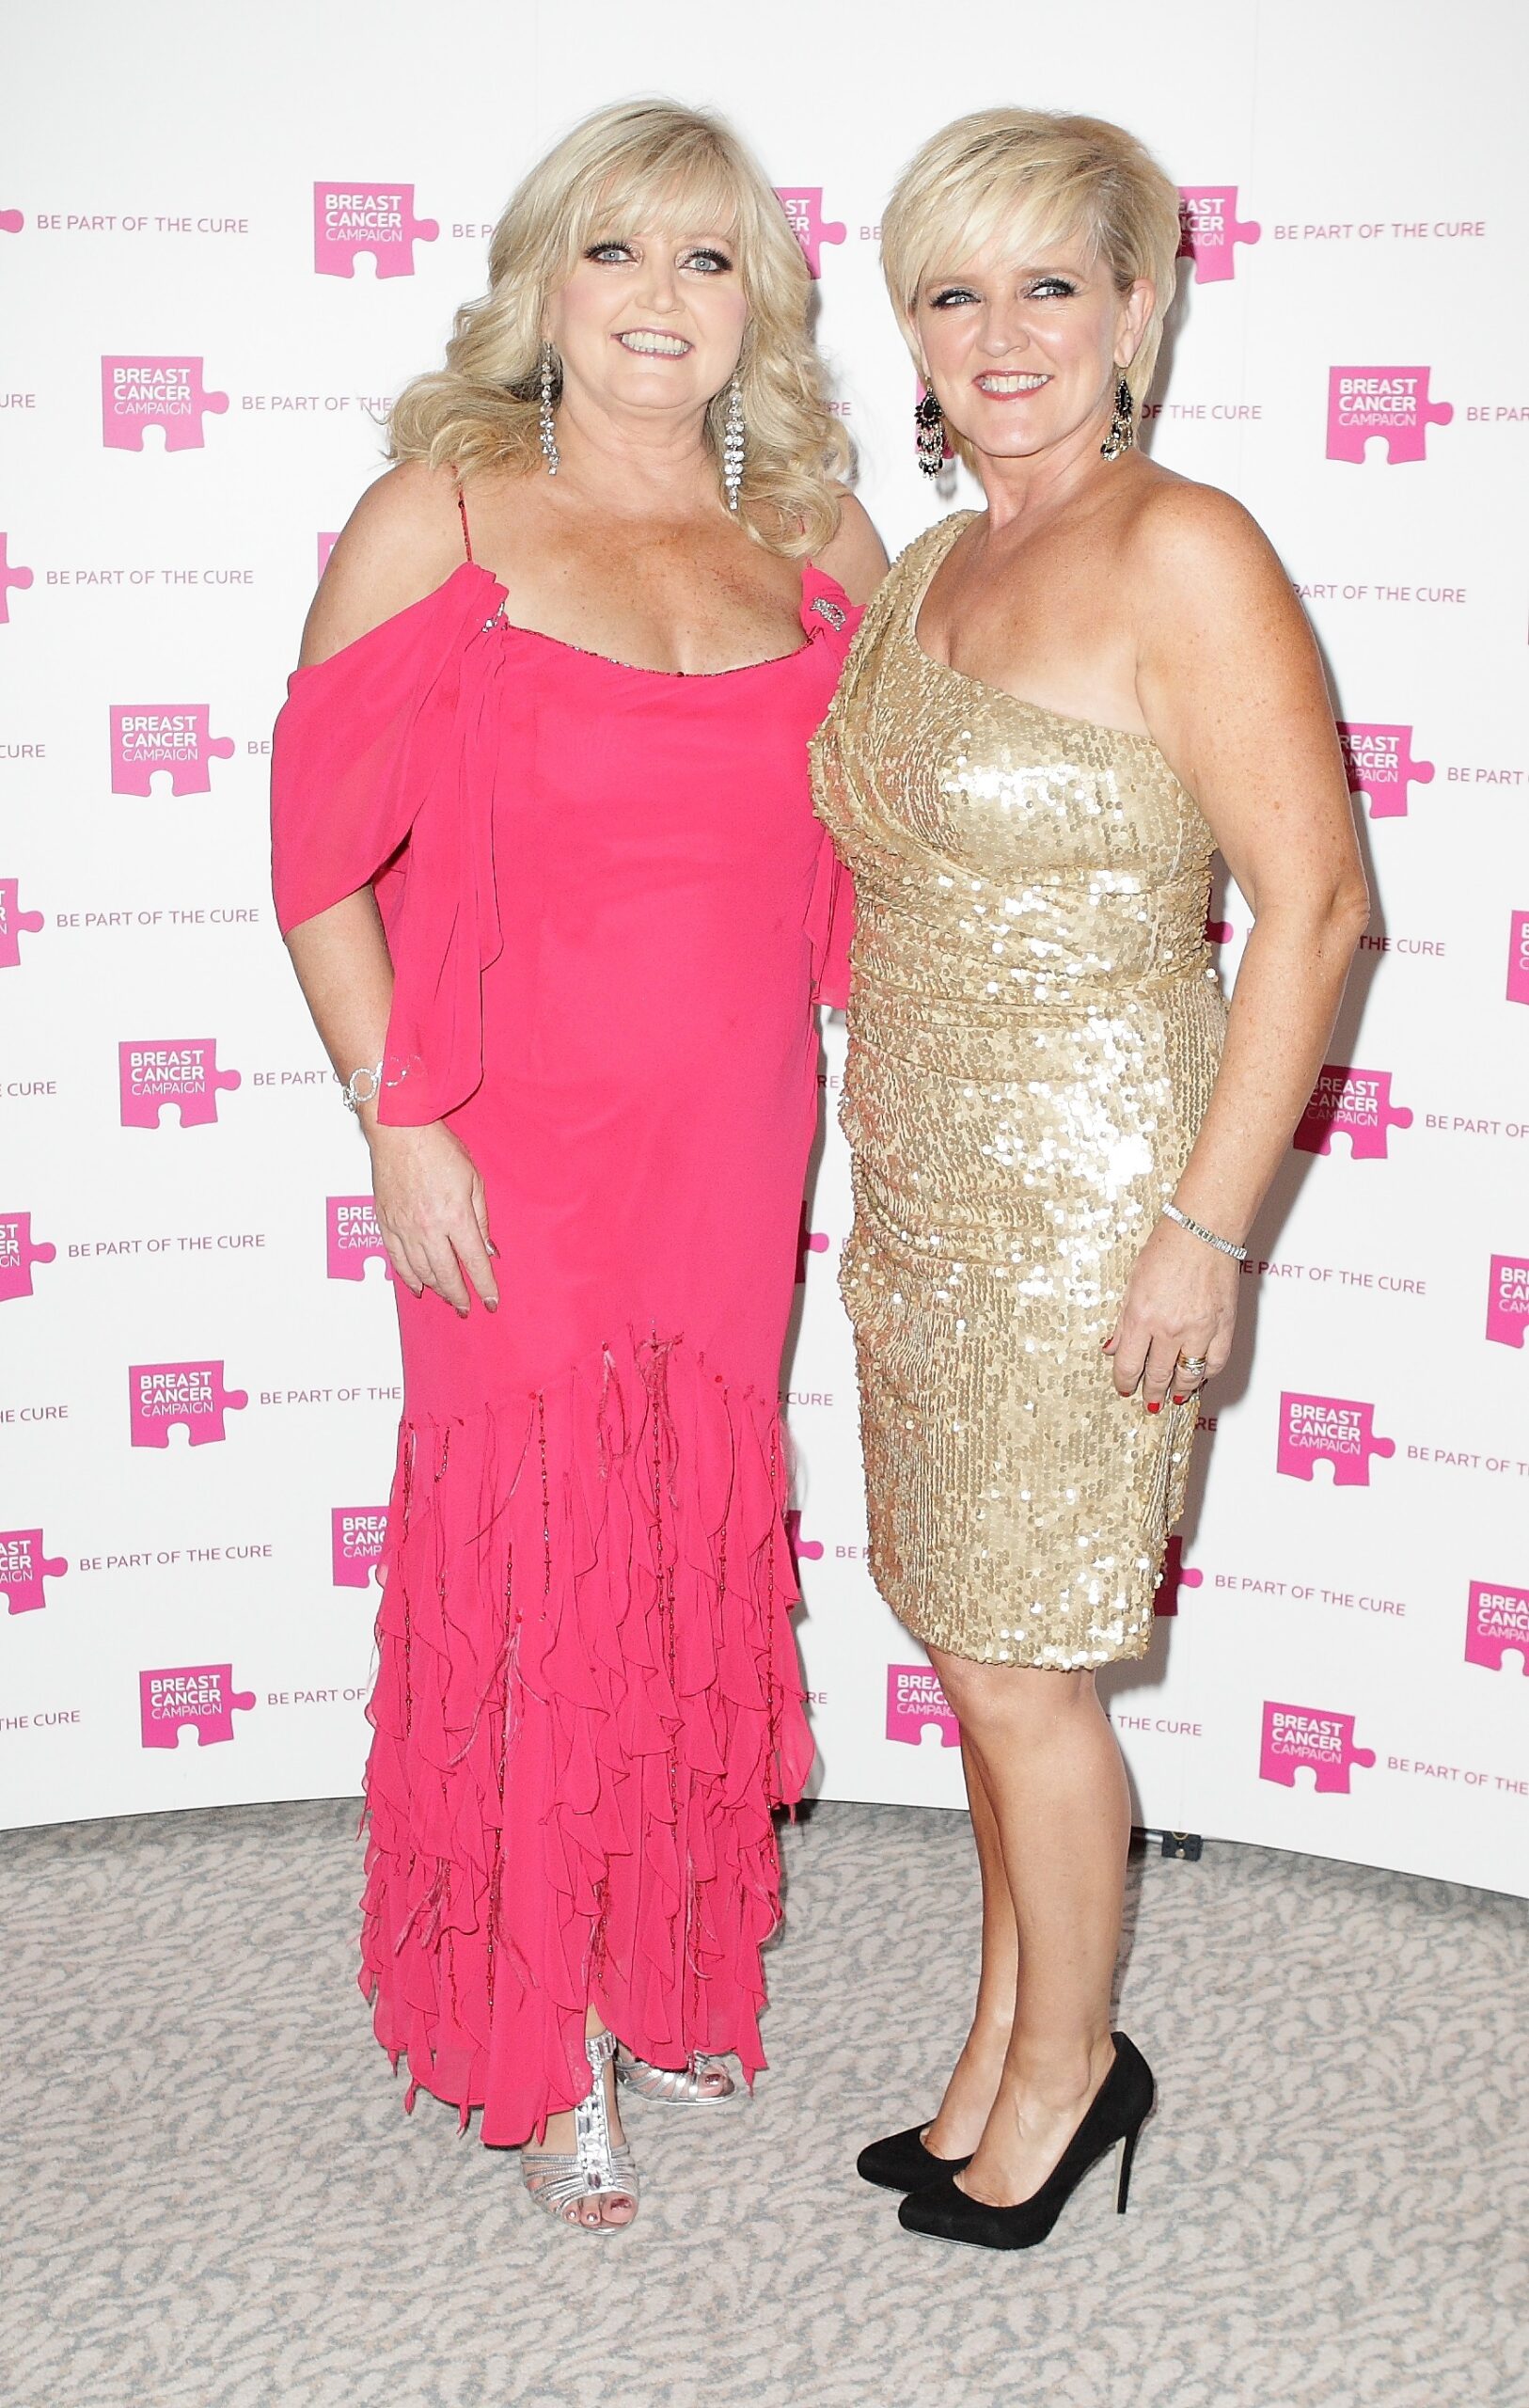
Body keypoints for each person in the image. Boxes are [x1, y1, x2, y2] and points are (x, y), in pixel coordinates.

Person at [271, 98, 884, 2233]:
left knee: (684, 1527)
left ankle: (656, 1959)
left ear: (759, 311)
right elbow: (315, 861)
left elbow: (915, 829)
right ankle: (533, 2046)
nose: (658, 299)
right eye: (616, 252)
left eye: (707, 261)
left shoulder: (811, 544)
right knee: (529, 1559)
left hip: (729, 1139)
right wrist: (398, 1107)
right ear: (545, 282)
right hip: (506, 1135)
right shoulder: (442, 514)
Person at [812, 108, 1367, 2251]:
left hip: (1094, 1197)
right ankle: (993, 2034)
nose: (1003, 333)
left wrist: (1203, 1231)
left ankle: (1072, 2070)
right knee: (976, 1641)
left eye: (1052, 284)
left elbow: (1311, 913)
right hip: (929, 1183)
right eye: (956, 293)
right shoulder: (934, 562)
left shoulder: (1185, 550)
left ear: (1139, 310)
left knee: (1031, 1669)